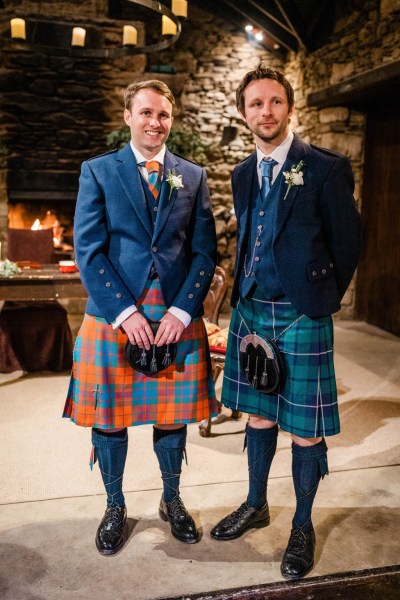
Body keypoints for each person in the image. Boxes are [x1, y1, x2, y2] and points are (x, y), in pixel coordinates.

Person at [210, 64, 362, 580]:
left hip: (302, 312)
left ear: (289, 108)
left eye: (275, 101)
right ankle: (255, 504)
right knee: (257, 418)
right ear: (243, 112)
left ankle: (302, 522)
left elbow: (348, 243)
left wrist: (319, 298)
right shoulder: (240, 173)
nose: (266, 111)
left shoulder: (323, 167)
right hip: (252, 309)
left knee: (304, 431)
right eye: (255, 103)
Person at [63, 79, 218, 555]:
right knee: (109, 418)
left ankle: (172, 499)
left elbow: (204, 251)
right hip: (116, 312)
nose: (155, 122)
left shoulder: (192, 175)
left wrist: (181, 309)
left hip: (173, 311)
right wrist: (125, 312)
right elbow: (88, 250)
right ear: (127, 116)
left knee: (172, 418)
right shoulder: (99, 171)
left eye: (164, 115)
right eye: (146, 112)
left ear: (172, 120)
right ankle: (114, 505)